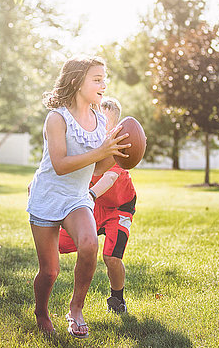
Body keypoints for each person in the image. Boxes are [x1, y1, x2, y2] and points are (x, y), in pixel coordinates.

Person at [26, 56, 131, 339]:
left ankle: (76, 309)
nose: (104, 84)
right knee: (49, 272)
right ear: (76, 81)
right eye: (97, 79)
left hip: (76, 197)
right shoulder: (57, 118)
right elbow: (60, 165)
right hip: (48, 196)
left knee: (88, 245)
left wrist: (118, 153)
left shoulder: (99, 121)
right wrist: (101, 151)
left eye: (104, 79)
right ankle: (41, 311)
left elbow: (96, 167)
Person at [59, 97, 136, 314]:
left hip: (118, 207)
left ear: (116, 128)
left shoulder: (119, 148)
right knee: (58, 243)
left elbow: (108, 179)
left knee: (111, 257)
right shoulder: (86, 142)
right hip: (93, 204)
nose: (101, 127)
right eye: (97, 120)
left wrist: (89, 196)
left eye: (106, 123)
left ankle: (117, 297)